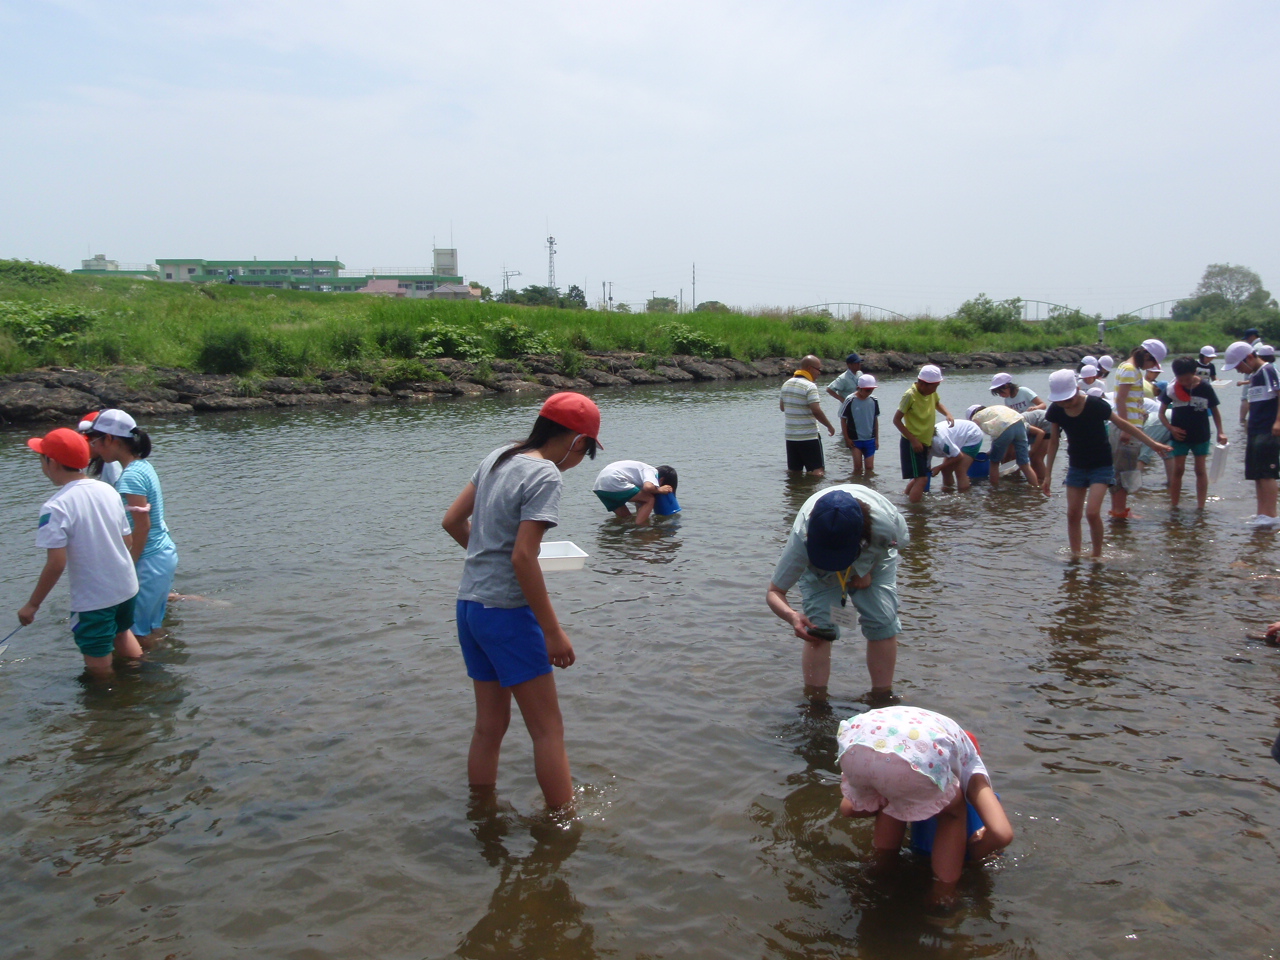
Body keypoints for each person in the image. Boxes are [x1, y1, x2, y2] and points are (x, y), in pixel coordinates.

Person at [442, 392, 602, 811]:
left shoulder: (499, 456)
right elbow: (523, 555)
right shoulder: (546, 475)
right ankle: (563, 827)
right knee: (548, 730)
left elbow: (452, 521)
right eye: (584, 451)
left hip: (470, 607)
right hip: (508, 614)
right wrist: (553, 631)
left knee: (489, 727)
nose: (578, 461)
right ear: (576, 441)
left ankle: (483, 815)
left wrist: (486, 559)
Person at [835, 706, 1013, 907]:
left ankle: (878, 869)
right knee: (952, 812)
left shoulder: (938, 731)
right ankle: (942, 895)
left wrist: (883, 798)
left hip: (859, 740)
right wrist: (971, 852)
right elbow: (1002, 834)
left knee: (893, 794)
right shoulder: (971, 763)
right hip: (912, 752)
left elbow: (848, 809)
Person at [16, 427, 142, 679]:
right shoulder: (107, 490)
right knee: (122, 632)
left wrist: (32, 605)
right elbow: (127, 538)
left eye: (41, 458)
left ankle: (113, 707)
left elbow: (56, 563)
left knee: (98, 666)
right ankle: (142, 676)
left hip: (95, 597)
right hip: (126, 587)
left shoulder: (55, 506)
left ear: (51, 462)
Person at [766, 485, 909, 703]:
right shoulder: (802, 537)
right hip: (819, 569)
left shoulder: (885, 523)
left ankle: (881, 698)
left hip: (872, 554)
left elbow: (896, 546)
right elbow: (774, 592)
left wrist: (868, 571)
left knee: (882, 620)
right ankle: (816, 703)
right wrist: (792, 616)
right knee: (818, 628)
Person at [1040, 369, 1172, 557]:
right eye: (1060, 401)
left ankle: (1096, 556)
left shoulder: (1095, 405)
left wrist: (1152, 443)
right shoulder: (1056, 410)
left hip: (1101, 465)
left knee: (1092, 513)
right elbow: (1053, 442)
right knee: (1072, 514)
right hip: (1077, 466)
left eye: (1068, 399)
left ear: (1077, 390)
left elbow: (1123, 424)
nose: (1065, 404)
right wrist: (1048, 474)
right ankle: (1076, 556)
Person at [87, 409, 179, 648]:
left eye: (95, 442)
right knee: (150, 626)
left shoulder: (130, 477)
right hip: (160, 555)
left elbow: (143, 526)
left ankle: (146, 679)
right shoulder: (142, 466)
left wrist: (129, 564)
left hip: (149, 559)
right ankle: (160, 668)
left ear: (110, 439)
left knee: (136, 634)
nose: (94, 448)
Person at [1223, 341, 1280, 527]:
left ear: (1249, 357)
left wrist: (1278, 422)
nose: (1238, 370)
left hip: (1268, 428)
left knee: (1267, 473)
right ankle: (1261, 513)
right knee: (1256, 473)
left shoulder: (1268, 370)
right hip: (1255, 428)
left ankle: (1271, 514)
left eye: (1239, 365)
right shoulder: (1255, 375)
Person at [1110, 339, 1167, 520]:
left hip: (1129, 425)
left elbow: (1127, 398)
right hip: (1127, 428)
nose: (1151, 367)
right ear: (1146, 356)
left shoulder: (1126, 367)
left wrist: (1139, 411)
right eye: (1152, 362)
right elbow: (1120, 400)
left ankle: (1120, 509)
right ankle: (1119, 512)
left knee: (1123, 470)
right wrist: (1126, 428)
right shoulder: (1130, 370)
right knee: (1124, 471)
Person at [1159, 357, 1227, 510]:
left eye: (1188, 379)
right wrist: (1171, 428)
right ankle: (1174, 505)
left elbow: (1215, 411)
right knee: (1178, 469)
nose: (1184, 383)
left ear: (1195, 372)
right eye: (1180, 380)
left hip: (1201, 435)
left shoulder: (1205, 387)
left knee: (1200, 470)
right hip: (1179, 436)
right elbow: (1161, 413)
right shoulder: (1171, 388)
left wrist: (1221, 432)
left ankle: (1201, 507)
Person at [893, 364, 953, 503]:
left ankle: (905, 500)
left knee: (919, 477)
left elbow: (938, 403)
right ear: (923, 384)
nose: (935, 389)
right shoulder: (910, 395)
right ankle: (915, 513)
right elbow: (896, 420)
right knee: (922, 479)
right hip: (912, 443)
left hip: (925, 442)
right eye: (934, 386)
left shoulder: (931, 393)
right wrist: (913, 440)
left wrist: (948, 414)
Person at [781, 355, 836, 477]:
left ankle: (796, 494)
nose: (819, 373)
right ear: (810, 368)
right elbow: (816, 410)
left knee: (794, 472)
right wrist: (829, 426)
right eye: (818, 370)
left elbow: (782, 407)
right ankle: (814, 494)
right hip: (809, 436)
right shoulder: (810, 386)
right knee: (817, 472)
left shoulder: (786, 384)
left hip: (791, 437)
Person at [967, 403, 1039, 490]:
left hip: (1004, 428)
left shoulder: (976, 417)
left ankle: (995, 490)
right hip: (1019, 424)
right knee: (1024, 464)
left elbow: (976, 437)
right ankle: (1036, 489)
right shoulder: (995, 408)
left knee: (994, 463)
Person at [591, 460, 676, 526]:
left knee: (626, 519)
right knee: (650, 499)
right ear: (661, 480)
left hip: (600, 487)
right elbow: (648, 487)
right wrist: (659, 490)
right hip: (614, 479)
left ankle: (630, 532)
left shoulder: (639, 474)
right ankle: (640, 528)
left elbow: (639, 500)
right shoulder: (652, 472)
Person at [839, 374, 880, 474]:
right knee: (857, 468)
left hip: (870, 439)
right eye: (867, 390)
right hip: (855, 440)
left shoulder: (874, 400)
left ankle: (868, 485)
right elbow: (843, 419)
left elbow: (875, 419)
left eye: (871, 390)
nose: (869, 392)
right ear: (859, 388)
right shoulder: (850, 400)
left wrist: (877, 439)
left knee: (869, 468)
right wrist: (847, 439)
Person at [929, 418, 984, 492]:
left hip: (972, 434)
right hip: (956, 438)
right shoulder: (922, 445)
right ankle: (948, 493)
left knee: (960, 470)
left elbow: (958, 456)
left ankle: (964, 497)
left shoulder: (940, 441)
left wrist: (939, 467)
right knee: (946, 470)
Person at [77, 411, 122, 486]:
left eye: (90, 441)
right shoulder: (105, 461)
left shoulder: (111, 463)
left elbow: (121, 491)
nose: (83, 446)